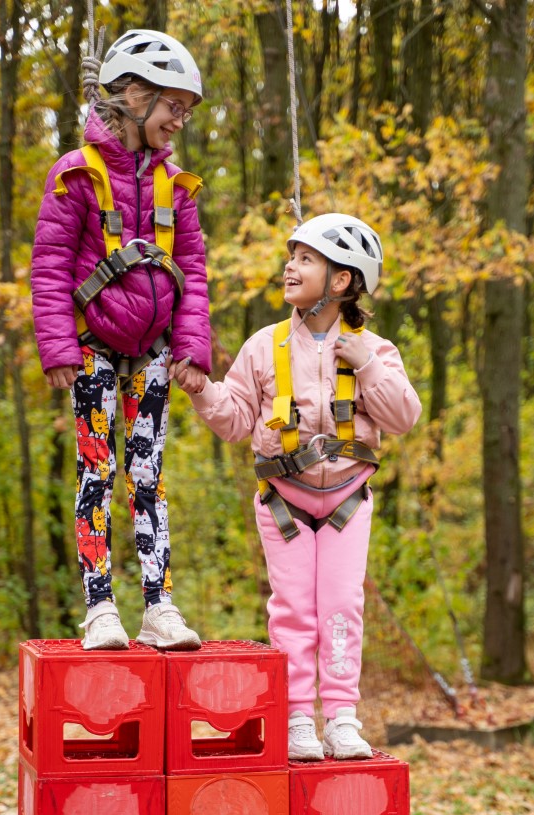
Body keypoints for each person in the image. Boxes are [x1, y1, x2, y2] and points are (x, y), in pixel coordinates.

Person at [170, 214, 422, 759]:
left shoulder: (374, 349)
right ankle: (298, 717)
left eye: (306, 259)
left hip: (347, 500)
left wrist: (367, 367)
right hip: (284, 501)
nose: (290, 266)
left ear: (341, 280)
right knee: (292, 609)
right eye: (291, 256)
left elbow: (403, 417)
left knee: (341, 605)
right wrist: (201, 390)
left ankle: (342, 717)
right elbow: (236, 420)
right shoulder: (265, 346)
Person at [31, 29, 210, 651]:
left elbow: (193, 271)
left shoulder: (176, 187)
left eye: (186, 111)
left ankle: (159, 605)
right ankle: (100, 606)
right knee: (97, 470)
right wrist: (57, 347)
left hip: (153, 349)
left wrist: (191, 348)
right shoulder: (76, 175)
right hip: (91, 344)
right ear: (133, 95)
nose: (179, 121)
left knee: (148, 473)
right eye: (173, 107)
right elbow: (50, 265)